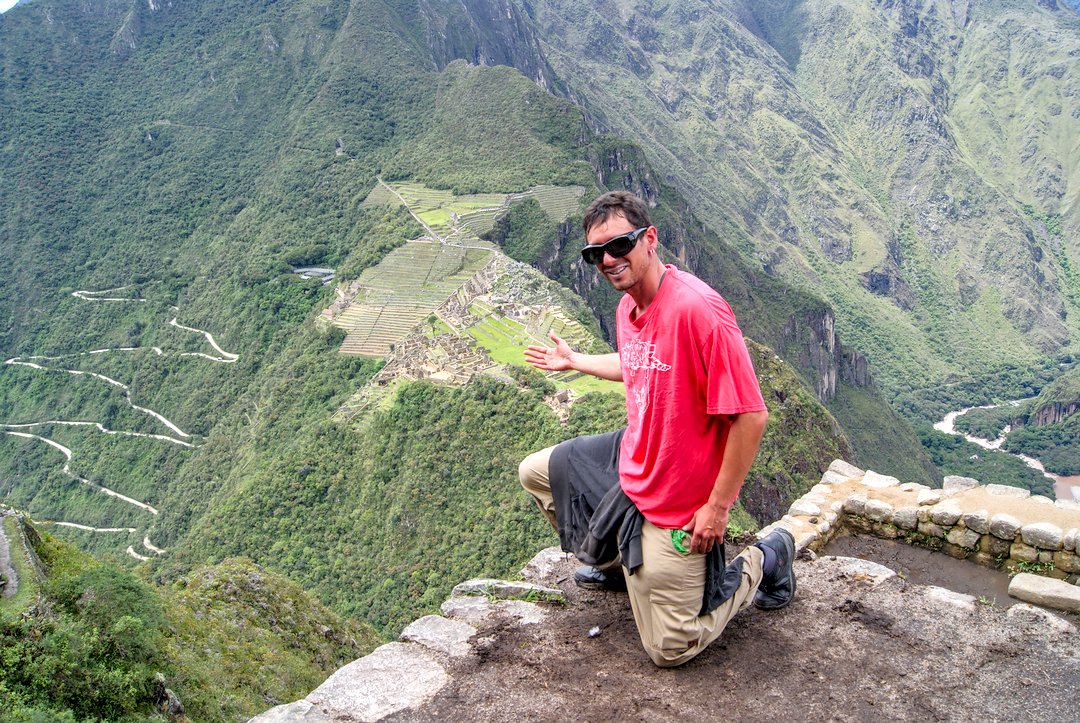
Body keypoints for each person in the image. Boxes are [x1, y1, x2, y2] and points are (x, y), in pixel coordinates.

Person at [518, 190, 795, 668]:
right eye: (594, 253)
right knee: (538, 472)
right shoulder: (629, 307)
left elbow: (751, 415)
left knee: (670, 648)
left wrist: (717, 508)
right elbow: (639, 364)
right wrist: (575, 361)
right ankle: (616, 563)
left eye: (619, 245)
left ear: (649, 239)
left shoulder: (698, 310)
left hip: (680, 494)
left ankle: (768, 558)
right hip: (637, 456)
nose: (607, 260)